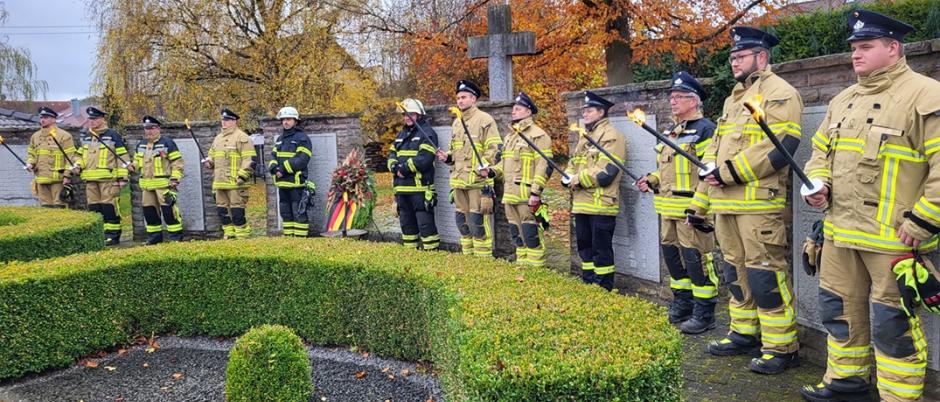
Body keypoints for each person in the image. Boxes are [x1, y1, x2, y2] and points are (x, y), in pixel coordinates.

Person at [799, 10, 940, 402]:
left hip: (893, 239)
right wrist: (818, 185)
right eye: (853, 47)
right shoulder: (842, 100)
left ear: (893, 48)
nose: (855, 54)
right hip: (839, 234)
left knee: (893, 323)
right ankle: (846, 383)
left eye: (865, 46)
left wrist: (923, 222)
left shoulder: (926, 95)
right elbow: (819, 155)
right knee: (838, 311)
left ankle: (899, 397)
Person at [688, 26, 804, 374]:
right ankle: (743, 332)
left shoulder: (780, 93)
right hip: (725, 204)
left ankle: (781, 347)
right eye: (732, 57)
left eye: (741, 56)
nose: (734, 62)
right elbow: (714, 151)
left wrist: (726, 173)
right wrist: (701, 200)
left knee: (765, 276)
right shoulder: (732, 99)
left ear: (762, 57)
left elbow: (781, 146)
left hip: (758, 205)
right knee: (734, 273)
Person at [637, 72, 718, 334]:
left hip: (691, 212)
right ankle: (683, 303)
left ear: (693, 101)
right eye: (671, 97)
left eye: (678, 97)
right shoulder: (670, 132)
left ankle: (704, 312)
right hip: (667, 210)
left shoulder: (706, 129)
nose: (672, 101)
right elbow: (665, 170)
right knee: (673, 259)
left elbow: (710, 172)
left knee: (697, 261)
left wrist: (699, 209)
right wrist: (651, 179)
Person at [481, 91, 552, 266]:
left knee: (531, 234)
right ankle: (523, 267)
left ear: (528, 112)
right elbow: (503, 164)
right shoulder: (509, 137)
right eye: (513, 109)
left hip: (527, 195)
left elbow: (544, 166)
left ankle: (536, 271)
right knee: (517, 235)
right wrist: (491, 171)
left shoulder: (538, 135)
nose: (513, 111)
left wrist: (535, 193)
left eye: (518, 109)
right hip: (510, 195)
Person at [564, 91, 625, 290]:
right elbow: (574, 162)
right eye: (584, 110)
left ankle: (603, 287)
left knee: (601, 249)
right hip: (581, 203)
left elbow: (607, 172)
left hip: (601, 204)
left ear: (601, 112)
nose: (585, 114)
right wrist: (567, 175)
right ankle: (588, 282)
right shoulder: (585, 137)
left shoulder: (612, 136)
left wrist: (576, 179)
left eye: (589, 110)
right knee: (585, 247)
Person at [435, 79, 502, 257]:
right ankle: (468, 259)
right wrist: (447, 157)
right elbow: (456, 151)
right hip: (459, 182)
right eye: (458, 98)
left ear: (473, 99)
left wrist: (484, 166)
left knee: (477, 223)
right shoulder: (457, 123)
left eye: (464, 97)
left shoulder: (485, 120)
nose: (460, 101)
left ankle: (483, 260)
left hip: (477, 183)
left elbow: (494, 149)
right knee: (462, 223)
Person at [73, 106, 131, 245]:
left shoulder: (112, 135)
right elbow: (79, 155)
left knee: (109, 207)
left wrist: (122, 177)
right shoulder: (87, 136)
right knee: (94, 208)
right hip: (90, 179)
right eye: (90, 119)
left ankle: (113, 235)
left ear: (102, 119)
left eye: (95, 119)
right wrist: (78, 165)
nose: (92, 121)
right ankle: (100, 234)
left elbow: (122, 157)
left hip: (108, 180)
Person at [388, 98, 440, 250]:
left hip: (420, 190)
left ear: (419, 115)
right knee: (407, 225)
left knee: (425, 225)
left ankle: (432, 254)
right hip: (401, 190)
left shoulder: (427, 133)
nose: (407, 117)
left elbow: (425, 159)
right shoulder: (401, 134)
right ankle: (410, 254)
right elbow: (391, 155)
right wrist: (395, 167)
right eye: (405, 114)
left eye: (410, 114)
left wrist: (403, 169)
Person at [203, 108, 256, 239]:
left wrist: (242, 177)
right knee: (223, 211)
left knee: (237, 211)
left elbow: (249, 160)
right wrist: (209, 162)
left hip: (235, 183)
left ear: (234, 121)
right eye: (223, 120)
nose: (224, 122)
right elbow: (212, 156)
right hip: (220, 183)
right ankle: (229, 235)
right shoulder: (217, 139)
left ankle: (242, 236)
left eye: (227, 120)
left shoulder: (242, 137)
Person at [134, 115, 184, 244]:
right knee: (150, 213)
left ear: (158, 129)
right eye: (146, 128)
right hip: (147, 186)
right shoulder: (141, 144)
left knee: (169, 212)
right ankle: (154, 238)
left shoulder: (167, 143)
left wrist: (175, 179)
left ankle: (175, 238)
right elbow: (137, 162)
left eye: (152, 128)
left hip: (164, 186)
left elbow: (177, 163)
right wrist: (132, 166)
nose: (149, 131)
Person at [269, 106, 312, 237]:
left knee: (298, 212)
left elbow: (302, 159)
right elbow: (273, 156)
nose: (285, 122)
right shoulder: (280, 139)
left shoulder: (302, 138)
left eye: (288, 119)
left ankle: (300, 239)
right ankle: (288, 238)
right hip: (282, 183)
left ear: (295, 121)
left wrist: (282, 169)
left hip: (296, 184)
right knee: (285, 212)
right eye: (283, 120)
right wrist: (273, 168)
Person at [26, 106, 76, 208]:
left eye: (46, 117)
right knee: (45, 207)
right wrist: (30, 163)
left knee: (59, 206)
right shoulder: (35, 136)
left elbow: (70, 157)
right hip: (41, 179)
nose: (42, 120)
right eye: (41, 117)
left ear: (53, 119)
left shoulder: (64, 136)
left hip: (58, 180)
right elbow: (31, 154)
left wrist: (67, 176)